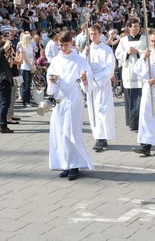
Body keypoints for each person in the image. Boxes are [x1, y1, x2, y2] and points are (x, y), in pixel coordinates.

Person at [46, 31, 94, 181]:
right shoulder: (56, 60)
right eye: (60, 45)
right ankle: (65, 163)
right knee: (60, 131)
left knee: (71, 131)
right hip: (60, 98)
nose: (63, 48)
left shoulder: (79, 60)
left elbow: (87, 79)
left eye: (65, 45)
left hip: (73, 98)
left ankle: (75, 165)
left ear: (71, 43)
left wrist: (85, 79)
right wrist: (52, 81)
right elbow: (50, 77)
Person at [82, 24, 117, 152]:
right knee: (93, 111)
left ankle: (102, 138)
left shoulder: (106, 50)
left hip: (101, 85)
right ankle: (98, 135)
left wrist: (97, 77)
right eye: (90, 34)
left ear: (100, 34)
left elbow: (110, 68)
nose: (92, 36)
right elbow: (82, 66)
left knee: (102, 110)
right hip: (91, 86)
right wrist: (85, 55)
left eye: (94, 33)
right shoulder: (87, 50)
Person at [115, 19, 148, 132]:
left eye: (138, 26)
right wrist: (127, 53)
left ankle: (137, 122)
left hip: (140, 73)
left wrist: (138, 52)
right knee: (129, 97)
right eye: (134, 26)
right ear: (129, 28)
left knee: (138, 97)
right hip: (128, 71)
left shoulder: (144, 39)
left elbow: (148, 51)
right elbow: (118, 54)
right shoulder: (123, 40)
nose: (136, 28)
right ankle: (130, 121)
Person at [0, 39, 16, 134]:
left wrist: (10, 54)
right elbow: (6, 46)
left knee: (0, 103)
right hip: (3, 81)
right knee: (5, 103)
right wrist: (8, 40)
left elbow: (10, 65)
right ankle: (3, 125)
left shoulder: (1, 56)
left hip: (3, 81)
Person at [17, 32, 36, 107]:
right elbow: (25, 58)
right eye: (30, 38)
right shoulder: (23, 47)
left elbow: (33, 56)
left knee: (29, 85)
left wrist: (33, 65)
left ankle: (28, 100)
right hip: (25, 67)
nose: (31, 39)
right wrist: (31, 66)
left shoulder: (30, 46)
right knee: (25, 85)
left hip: (30, 66)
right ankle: (25, 102)